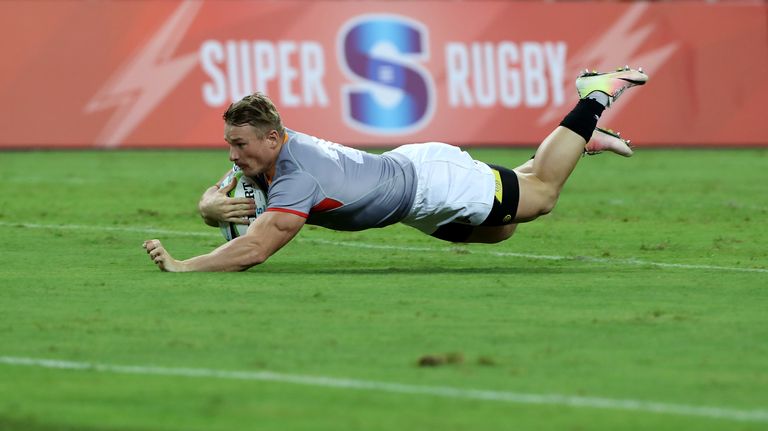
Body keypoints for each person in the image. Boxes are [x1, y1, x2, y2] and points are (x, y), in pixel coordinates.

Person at [143, 66, 647, 272]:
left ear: (273, 138)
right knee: (501, 230)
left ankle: (594, 97)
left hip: (430, 183)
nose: (233, 155)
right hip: (411, 192)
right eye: (229, 144)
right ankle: (573, 142)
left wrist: (184, 265)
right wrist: (208, 206)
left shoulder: (296, 175)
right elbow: (227, 190)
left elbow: (255, 247)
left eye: (240, 144)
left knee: (541, 196)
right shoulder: (270, 150)